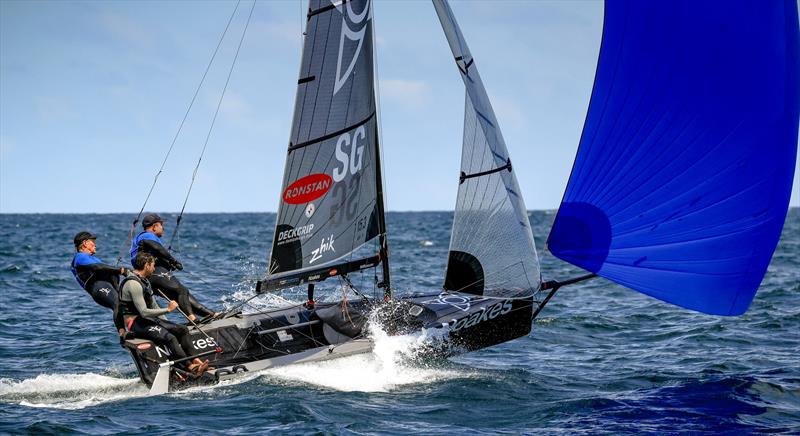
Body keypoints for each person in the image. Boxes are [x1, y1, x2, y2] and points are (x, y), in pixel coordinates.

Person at [118, 252, 209, 375]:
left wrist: (167, 322)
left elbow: (154, 306)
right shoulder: (133, 284)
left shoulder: (144, 281)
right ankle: (190, 367)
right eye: (153, 265)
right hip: (135, 323)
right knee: (169, 337)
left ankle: (196, 360)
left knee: (181, 329)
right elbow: (144, 312)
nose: (154, 268)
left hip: (148, 320)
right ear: (146, 265)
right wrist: (168, 309)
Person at [129, 213, 217, 322]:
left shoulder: (140, 240)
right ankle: (192, 318)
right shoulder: (147, 235)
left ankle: (212, 314)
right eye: (161, 225)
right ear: (155, 226)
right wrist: (174, 261)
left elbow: (154, 254)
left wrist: (167, 263)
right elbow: (156, 247)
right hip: (154, 273)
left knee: (181, 296)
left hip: (147, 277)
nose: (163, 228)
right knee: (182, 290)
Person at [71, 231, 127, 332]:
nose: (95, 244)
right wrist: (121, 270)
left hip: (107, 286)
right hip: (98, 287)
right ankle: (122, 333)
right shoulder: (80, 256)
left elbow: (107, 270)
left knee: (125, 304)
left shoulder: (92, 258)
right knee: (118, 304)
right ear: (84, 243)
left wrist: (117, 287)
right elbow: (98, 267)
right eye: (92, 241)